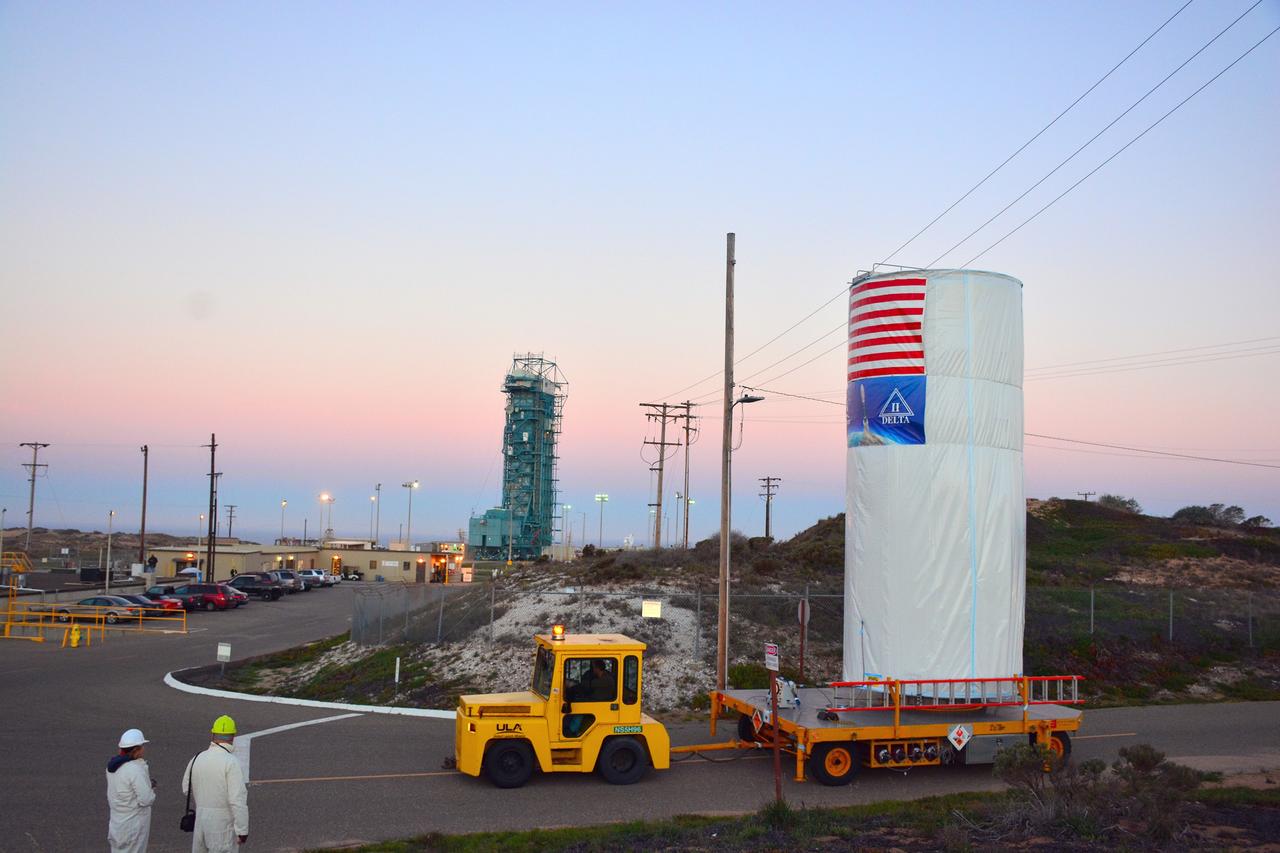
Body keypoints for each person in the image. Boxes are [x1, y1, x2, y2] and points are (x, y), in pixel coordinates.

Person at [182, 715, 249, 852]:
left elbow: (186, 789)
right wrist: (242, 829)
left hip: (201, 821)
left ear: (213, 735)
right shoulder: (231, 762)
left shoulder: (197, 758)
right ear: (232, 737)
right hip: (222, 824)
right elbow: (237, 799)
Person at [107, 728, 156, 853]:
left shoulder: (111, 768)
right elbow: (146, 799)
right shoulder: (134, 769)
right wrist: (150, 788)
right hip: (133, 825)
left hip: (117, 823)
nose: (143, 749)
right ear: (136, 750)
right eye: (141, 747)